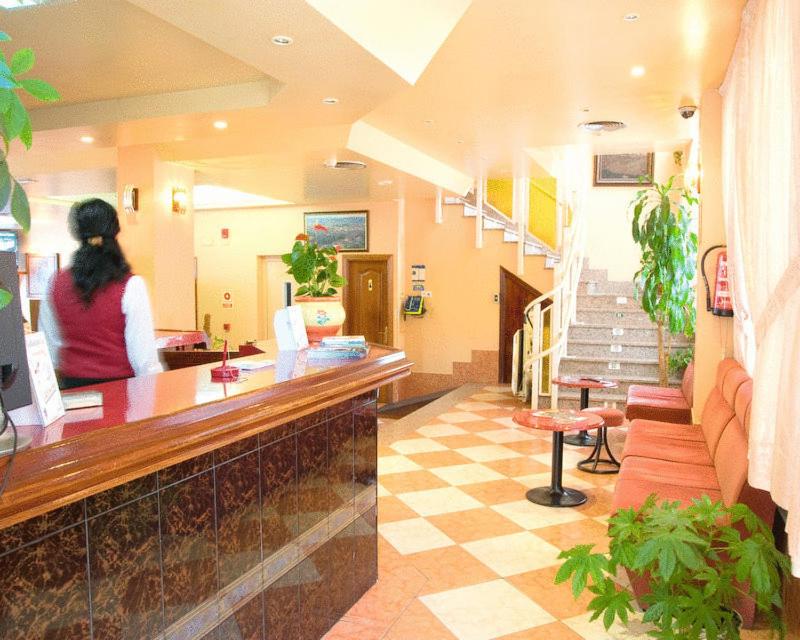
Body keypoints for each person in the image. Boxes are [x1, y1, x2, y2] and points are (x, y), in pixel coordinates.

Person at [39, 199, 162, 389]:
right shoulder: (131, 285)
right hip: (120, 392)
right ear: (115, 231)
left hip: (72, 391)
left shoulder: (55, 282)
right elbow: (144, 360)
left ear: (78, 233)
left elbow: (49, 350)